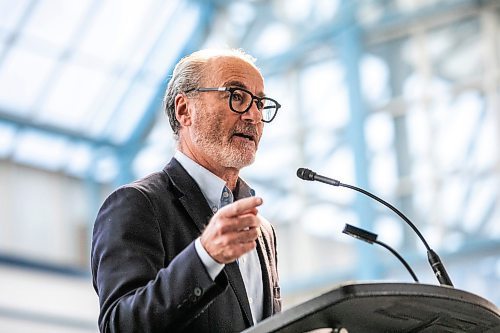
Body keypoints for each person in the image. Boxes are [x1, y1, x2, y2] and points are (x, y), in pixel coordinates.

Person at [91, 48, 282, 332]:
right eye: (237, 97)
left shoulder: (262, 230)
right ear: (184, 110)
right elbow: (122, 324)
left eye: (260, 103)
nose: (254, 115)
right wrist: (206, 256)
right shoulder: (137, 204)